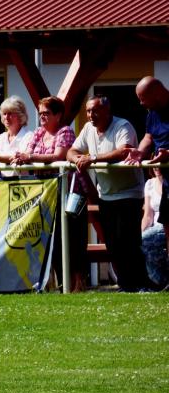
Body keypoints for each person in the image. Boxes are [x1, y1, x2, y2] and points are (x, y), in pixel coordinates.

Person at [67, 95, 151, 292]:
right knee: (113, 244)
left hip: (130, 193)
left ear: (107, 110)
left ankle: (140, 284)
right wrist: (77, 158)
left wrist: (92, 158)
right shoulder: (88, 129)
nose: (90, 115)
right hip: (106, 194)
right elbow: (71, 150)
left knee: (129, 242)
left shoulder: (124, 126)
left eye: (94, 110)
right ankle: (125, 285)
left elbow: (124, 151)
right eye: (88, 111)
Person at [12, 96, 86, 291]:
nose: (42, 117)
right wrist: (26, 158)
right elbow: (28, 154)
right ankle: (56, 284)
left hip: (65, 194)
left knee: (70, 242)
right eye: (41, 113)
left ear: (58, 115)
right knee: (49, 241)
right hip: (45, 196)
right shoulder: (38, 133)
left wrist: (29, 157)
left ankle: (75, 285)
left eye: (46, 113)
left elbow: (58, 156)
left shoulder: (65, 131)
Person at [127, 76, 169, 254]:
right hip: (167, 181)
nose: (141, 103)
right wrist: (140, 151)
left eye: (143, 98)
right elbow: (148, 137)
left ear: (157, 94)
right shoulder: (152, 113)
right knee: (168, 229)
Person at [141, 168, 168, 287]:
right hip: (155, 228)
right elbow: (148, 215)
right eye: (154, 164)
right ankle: (159, 281)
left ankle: (158, 281)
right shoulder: (149, 184)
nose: (156, 167)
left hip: (166, 224)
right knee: (141, 242)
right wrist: (139, 235)